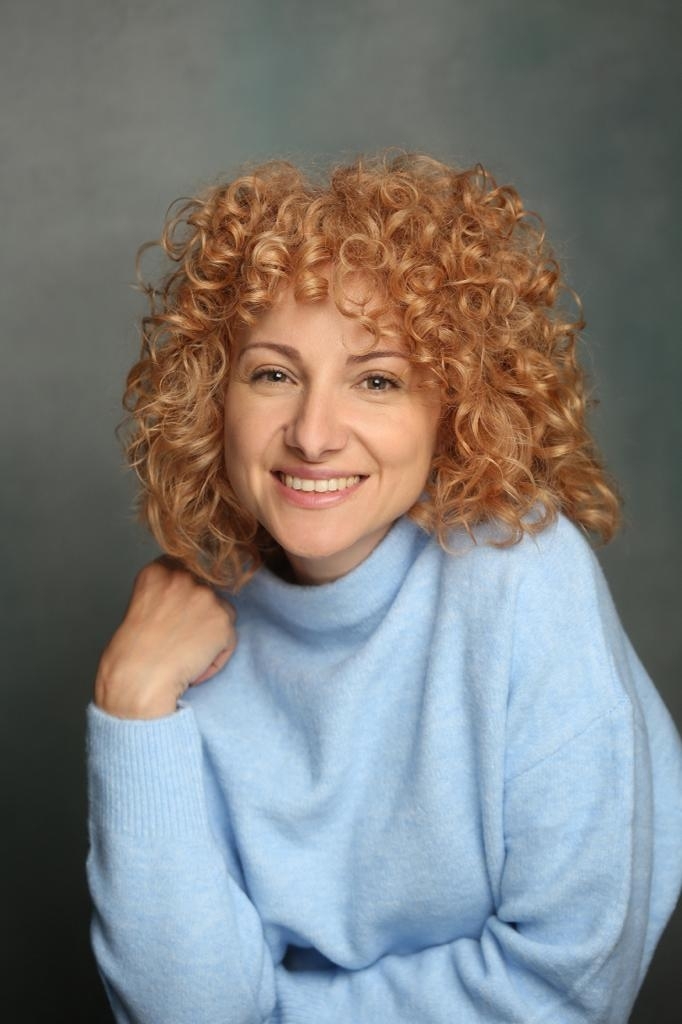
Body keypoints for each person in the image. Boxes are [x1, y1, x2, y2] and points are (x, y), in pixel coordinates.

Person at [86, 152, 682, 1024]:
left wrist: (279, 1013)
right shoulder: (185, 634)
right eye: (274, 374)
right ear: (214, 397)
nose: (314, 434)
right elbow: (183, 1010)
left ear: (456, 408)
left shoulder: (523, 581)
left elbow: (569, 987)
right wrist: (132, 704)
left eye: (378, 380)